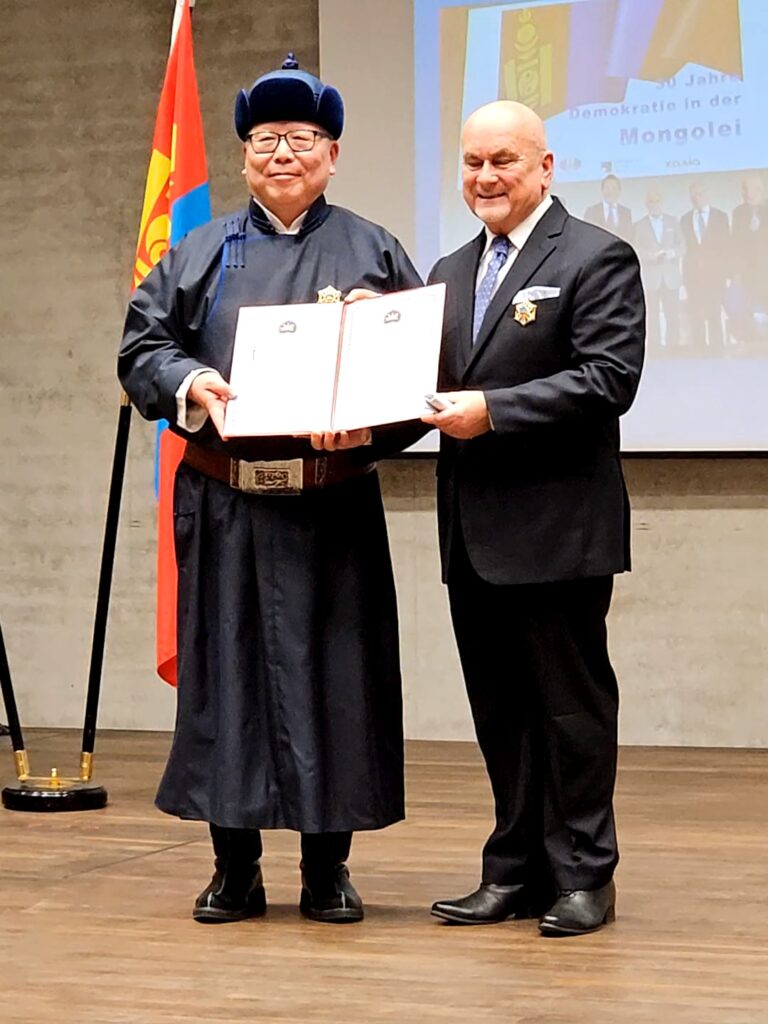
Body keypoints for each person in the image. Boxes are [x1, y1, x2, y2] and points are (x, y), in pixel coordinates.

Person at [118, 56, 424, 925]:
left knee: (339, 681)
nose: (281, 155)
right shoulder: (200, 250)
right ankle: (234, 868)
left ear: (331, 154)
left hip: (333, 507)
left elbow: (421, 374)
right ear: (245, 157)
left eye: (300, 140)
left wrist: (369, 424)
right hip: (227, 503)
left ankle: (328, 868)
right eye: (264, 141)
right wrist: (189, 384)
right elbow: (144, 349)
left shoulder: (373, 250)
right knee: (229, 681)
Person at [422, 100, 644, 937]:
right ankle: (512, 870)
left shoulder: (596, 256)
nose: (486, 177)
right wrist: (351, 425)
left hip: (558, 533)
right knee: (501, 711)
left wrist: (494, 411)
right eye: (473, 161)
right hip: (472, 538)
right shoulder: (446, 270)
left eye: (504, 161)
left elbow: (608, 379)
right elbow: (424, 392)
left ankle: (586, 876)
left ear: (545, 167)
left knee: (570, 710)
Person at [680, 182, 730, 349]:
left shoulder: (721, 216)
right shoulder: (685, 219)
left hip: (715, 274)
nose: (697, 197)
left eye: (700, 194)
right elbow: (684, 247)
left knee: (714, 311)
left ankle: (717, 348)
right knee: (696, 313)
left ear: (707, 195)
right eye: (694, 194)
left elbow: (725, 246)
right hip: (693, 275)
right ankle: (699, 348)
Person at [633, 190, 683, 351]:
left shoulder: (673, 222)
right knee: (652, 315)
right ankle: (655, 348)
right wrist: (651, 256)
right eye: (651, 201)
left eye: (657, 201)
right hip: (651, 277)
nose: (654, 204)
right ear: (647, 204)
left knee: (672, 314)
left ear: (661, 202)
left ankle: (673, 347)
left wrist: (671, 253)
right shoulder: (639, 225)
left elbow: (683, 245)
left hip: (670, 276)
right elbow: (636, 248)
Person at [583, 174, 633, 242]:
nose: (610, 191)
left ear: (619, 191)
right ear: (602, 190)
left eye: (614, 188)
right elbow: (586, 235)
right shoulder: (591, 211)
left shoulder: (626, 212)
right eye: (607, 188)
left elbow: (628, 237)